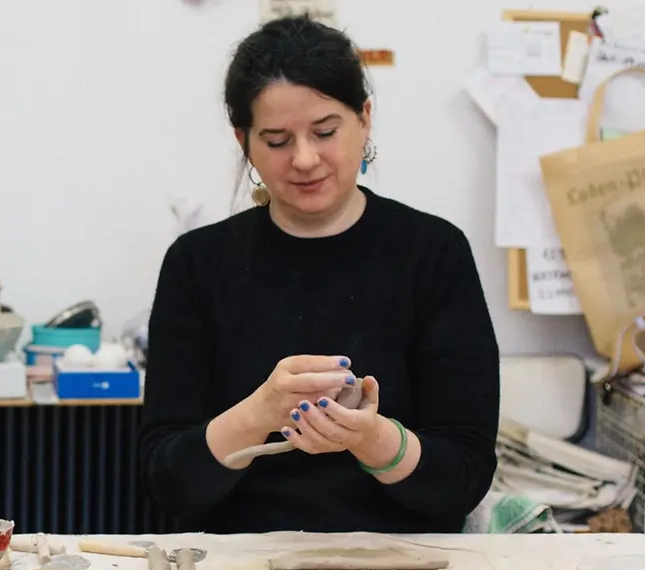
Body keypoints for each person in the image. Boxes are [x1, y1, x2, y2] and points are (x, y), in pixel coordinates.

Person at [137, 16, 499, 534]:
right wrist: (262, 410)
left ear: (365, 118)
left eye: (325, 131)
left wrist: (369, 438)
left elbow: (464, 475)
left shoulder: (433, 254)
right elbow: (167, 481)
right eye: (277, 140)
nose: (305, 159)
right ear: (244, 141)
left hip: (403, 567)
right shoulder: (197, 264)